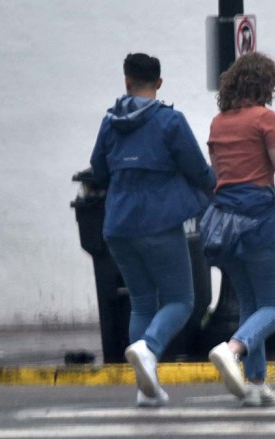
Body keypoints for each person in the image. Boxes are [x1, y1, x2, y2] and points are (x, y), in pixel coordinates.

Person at [90, 53, 216, 407]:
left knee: (142, 301)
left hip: (117, 225)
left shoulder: (109, 122)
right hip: (159, 223)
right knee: (181, 300)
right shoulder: (170, 121)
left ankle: (146, 389)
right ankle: (150, 349)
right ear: (159, 83)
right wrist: (215, 184)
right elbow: (196, 168)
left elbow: (98, 169)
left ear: (127, 81)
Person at [203, 52, 275, 408]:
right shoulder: (266, 119)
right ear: (265, 84)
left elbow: (216, 174)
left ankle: (255, 385)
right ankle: (232, 348)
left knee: (251, 304)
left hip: (224, 222)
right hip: (260, 221)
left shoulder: (218, 123)